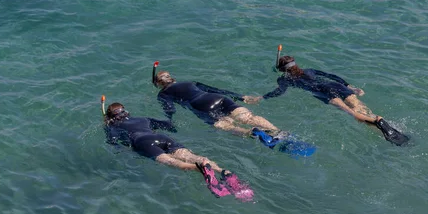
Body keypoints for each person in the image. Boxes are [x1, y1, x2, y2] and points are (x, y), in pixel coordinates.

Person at [246, 54, 410, 146]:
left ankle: (378, 122)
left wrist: (261, 97)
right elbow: (331, 76)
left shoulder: (285, 80)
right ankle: (382, 123)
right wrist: (350, 86)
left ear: (282, 70)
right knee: (362, 109)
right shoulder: (310, 70)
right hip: (336, 85)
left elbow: (279, 92)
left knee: (354, 115)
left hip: (325, 92)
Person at [153, 69, 282, 137]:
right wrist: (242, 97)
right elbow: (215, 89)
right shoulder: (190, 82)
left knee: (225, 125)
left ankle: (251, 133)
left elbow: (170, 109)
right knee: (248, 117)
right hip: (217, 98)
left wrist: (168, 121)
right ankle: (277, 131)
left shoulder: (163, 94)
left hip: (201, 105)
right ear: (171, 78)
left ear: (158, 84)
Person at [104, 102, 222, 171]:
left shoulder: (113, 126)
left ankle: (198, 168)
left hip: (143, 142)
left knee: (172, 162)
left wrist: (108, 126)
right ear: (125, 111)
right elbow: (168, 125)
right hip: (161, 137)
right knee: (190, 156)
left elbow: (112, 141)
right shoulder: (143, 119)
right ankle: (220, 170)